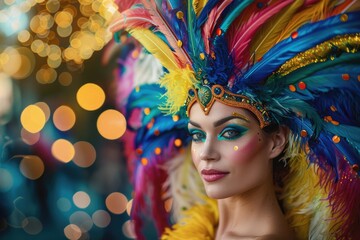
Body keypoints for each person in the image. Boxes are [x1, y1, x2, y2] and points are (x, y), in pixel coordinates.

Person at [110, 0, 360, 239]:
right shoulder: (201, 226)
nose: (206, 153)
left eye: (229, 132)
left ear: (276, 141)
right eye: (197, 135)